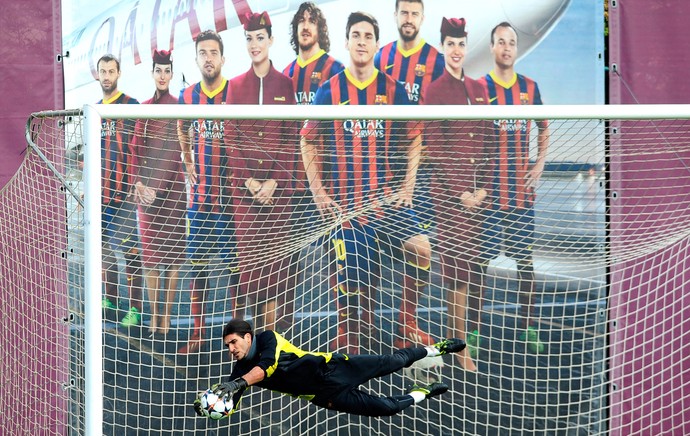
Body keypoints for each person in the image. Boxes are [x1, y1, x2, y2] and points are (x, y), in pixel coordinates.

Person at [300, 11, 434, 354]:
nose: (361, 41)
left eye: (368, 36)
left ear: (377, 43)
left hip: (387, 201)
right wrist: (318, 192)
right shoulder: (330, 91)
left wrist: (408, 187)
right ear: (346, 42)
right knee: (351, 275)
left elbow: (415, 136)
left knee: (422, 248)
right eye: (355, 35)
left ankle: (406, 324)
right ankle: (350, 333)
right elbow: (308, 140)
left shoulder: (394, 90)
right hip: (345, 205)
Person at [193, 319, 466, 417]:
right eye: (227, 345)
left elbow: (266, 368)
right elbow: (229, 407)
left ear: (248, 337)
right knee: (387, 408)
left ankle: (435, 349)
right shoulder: (237, 374)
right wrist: (208, 404)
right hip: (325, 396)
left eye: (233, 342)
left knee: (394, 361)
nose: (230, 349)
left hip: (334, 368)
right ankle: (423, 392)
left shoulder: (268, 339)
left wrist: (238, 383)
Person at [421, 17, 493, 371]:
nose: (456, 50)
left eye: (461, 44)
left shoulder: (479, 89)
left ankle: (462, 341)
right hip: (450, 199)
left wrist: (483, 190)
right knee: (457, 272)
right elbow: (434, 147)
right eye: (450, 44)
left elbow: (491, 142)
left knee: (475, 269)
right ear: (442, 47)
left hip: (477, 199)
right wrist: (461, 192)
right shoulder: (434, 91)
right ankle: (459, 347)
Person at [476, 22, 551, 354]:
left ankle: (528, 327)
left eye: (511, 43)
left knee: (525, 263)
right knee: (480, 262)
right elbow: (470, 139)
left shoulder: (530, 88)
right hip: (491, 195)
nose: (506, 47)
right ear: (492, 47)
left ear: (516, 49)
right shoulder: (480, 90)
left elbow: (544, 128)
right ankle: (474, 332)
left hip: (521, 195)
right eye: (500, 42)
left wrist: (540, 163)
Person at [225, 11, 298, 333]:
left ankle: (271, 343)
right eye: (249, 39)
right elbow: (230, 137)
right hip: (246, 196)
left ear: (271, 40)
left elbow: (291, 137)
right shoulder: (235, 86)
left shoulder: (285, 84)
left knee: (276, 270)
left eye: (260, 38)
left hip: (277, 196)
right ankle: (251, 342)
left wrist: (273, 181)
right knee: (251, 270)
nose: (255, 44)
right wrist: (250, 181)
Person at [280, 1, 346, 334]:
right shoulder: (286, 74)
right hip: (292, 184)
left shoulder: (336, 69)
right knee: (288, 260)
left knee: (338, 259)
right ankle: (284, 332)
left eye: (312, 21)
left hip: (328, 183)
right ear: (295, 30)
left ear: (320, 29)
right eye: (301, 22)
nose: (306, 26)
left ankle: (346, 330)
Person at [177, 30, 238, 354]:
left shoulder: (235, 92)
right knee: (198, 270)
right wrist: (187, 159)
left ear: (222, 58)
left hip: (230, 203)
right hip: (199, 203)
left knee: (233, 272)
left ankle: (236, 337)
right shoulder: (188, 97)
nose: (209, 58)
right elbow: (180, 125)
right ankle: (198, 332)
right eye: (203, 53)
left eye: (214, 52)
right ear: (197, 58)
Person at [374, 0, 445, 230]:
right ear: (395, 15)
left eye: (415, 14)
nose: (409, 19)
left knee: (419, 240)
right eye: (404, 13)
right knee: (384, 237)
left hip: (422, 167)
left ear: (422, 19)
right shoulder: (381, 57)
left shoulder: (436, 61)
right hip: (385, 163)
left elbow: (445, 116)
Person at [131, 49, 186, 336]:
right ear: (152, 73)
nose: (162, 76)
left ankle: (166, 318)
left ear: (171, 74)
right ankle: (154, 317)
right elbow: (134, 150)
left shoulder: (179, 106)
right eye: (158, 70)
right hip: (147, 197)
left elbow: (175, 150)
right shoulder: (143, 107)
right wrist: (139, 183)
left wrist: (157, 187)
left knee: (173, 259)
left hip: (173, 194)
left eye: (167, 71)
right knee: (151, 258)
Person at [96, 53, 143, 328]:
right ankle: (110, 298)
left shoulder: (131, 105)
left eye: (111, 71)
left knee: (131, 255)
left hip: (123, 197)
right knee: (103, 250)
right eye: (102, 71)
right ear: (98, 74)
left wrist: (137, 182)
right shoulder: (95, 109)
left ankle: (135, 309)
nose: (106, 76)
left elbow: (138, 149)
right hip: (101, 195)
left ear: (118, 73)